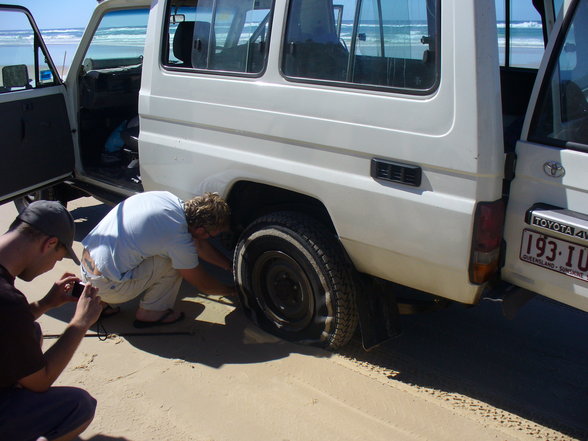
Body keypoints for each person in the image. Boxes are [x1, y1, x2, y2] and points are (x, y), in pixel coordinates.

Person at [0, 201, 102, 441]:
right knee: (78, 406)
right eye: (57, 259)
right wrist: (79, 324)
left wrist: (45, 303)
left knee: (31, 331)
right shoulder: (8, 302)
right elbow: (40, 382)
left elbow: (8, 325)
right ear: (50, 244)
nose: (51, 267)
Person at [80, 191, 235, 328]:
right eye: (213, 235)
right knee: (176, 262)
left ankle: (102, 303)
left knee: (150, 250)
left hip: (87, 268)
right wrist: (233, 291)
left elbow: (199, 244)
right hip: (107, 287)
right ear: (201, 230)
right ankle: (151, 313)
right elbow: (203, 284)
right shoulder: (177, 238)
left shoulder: (165, 198)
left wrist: (229, 266)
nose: (212, 238)